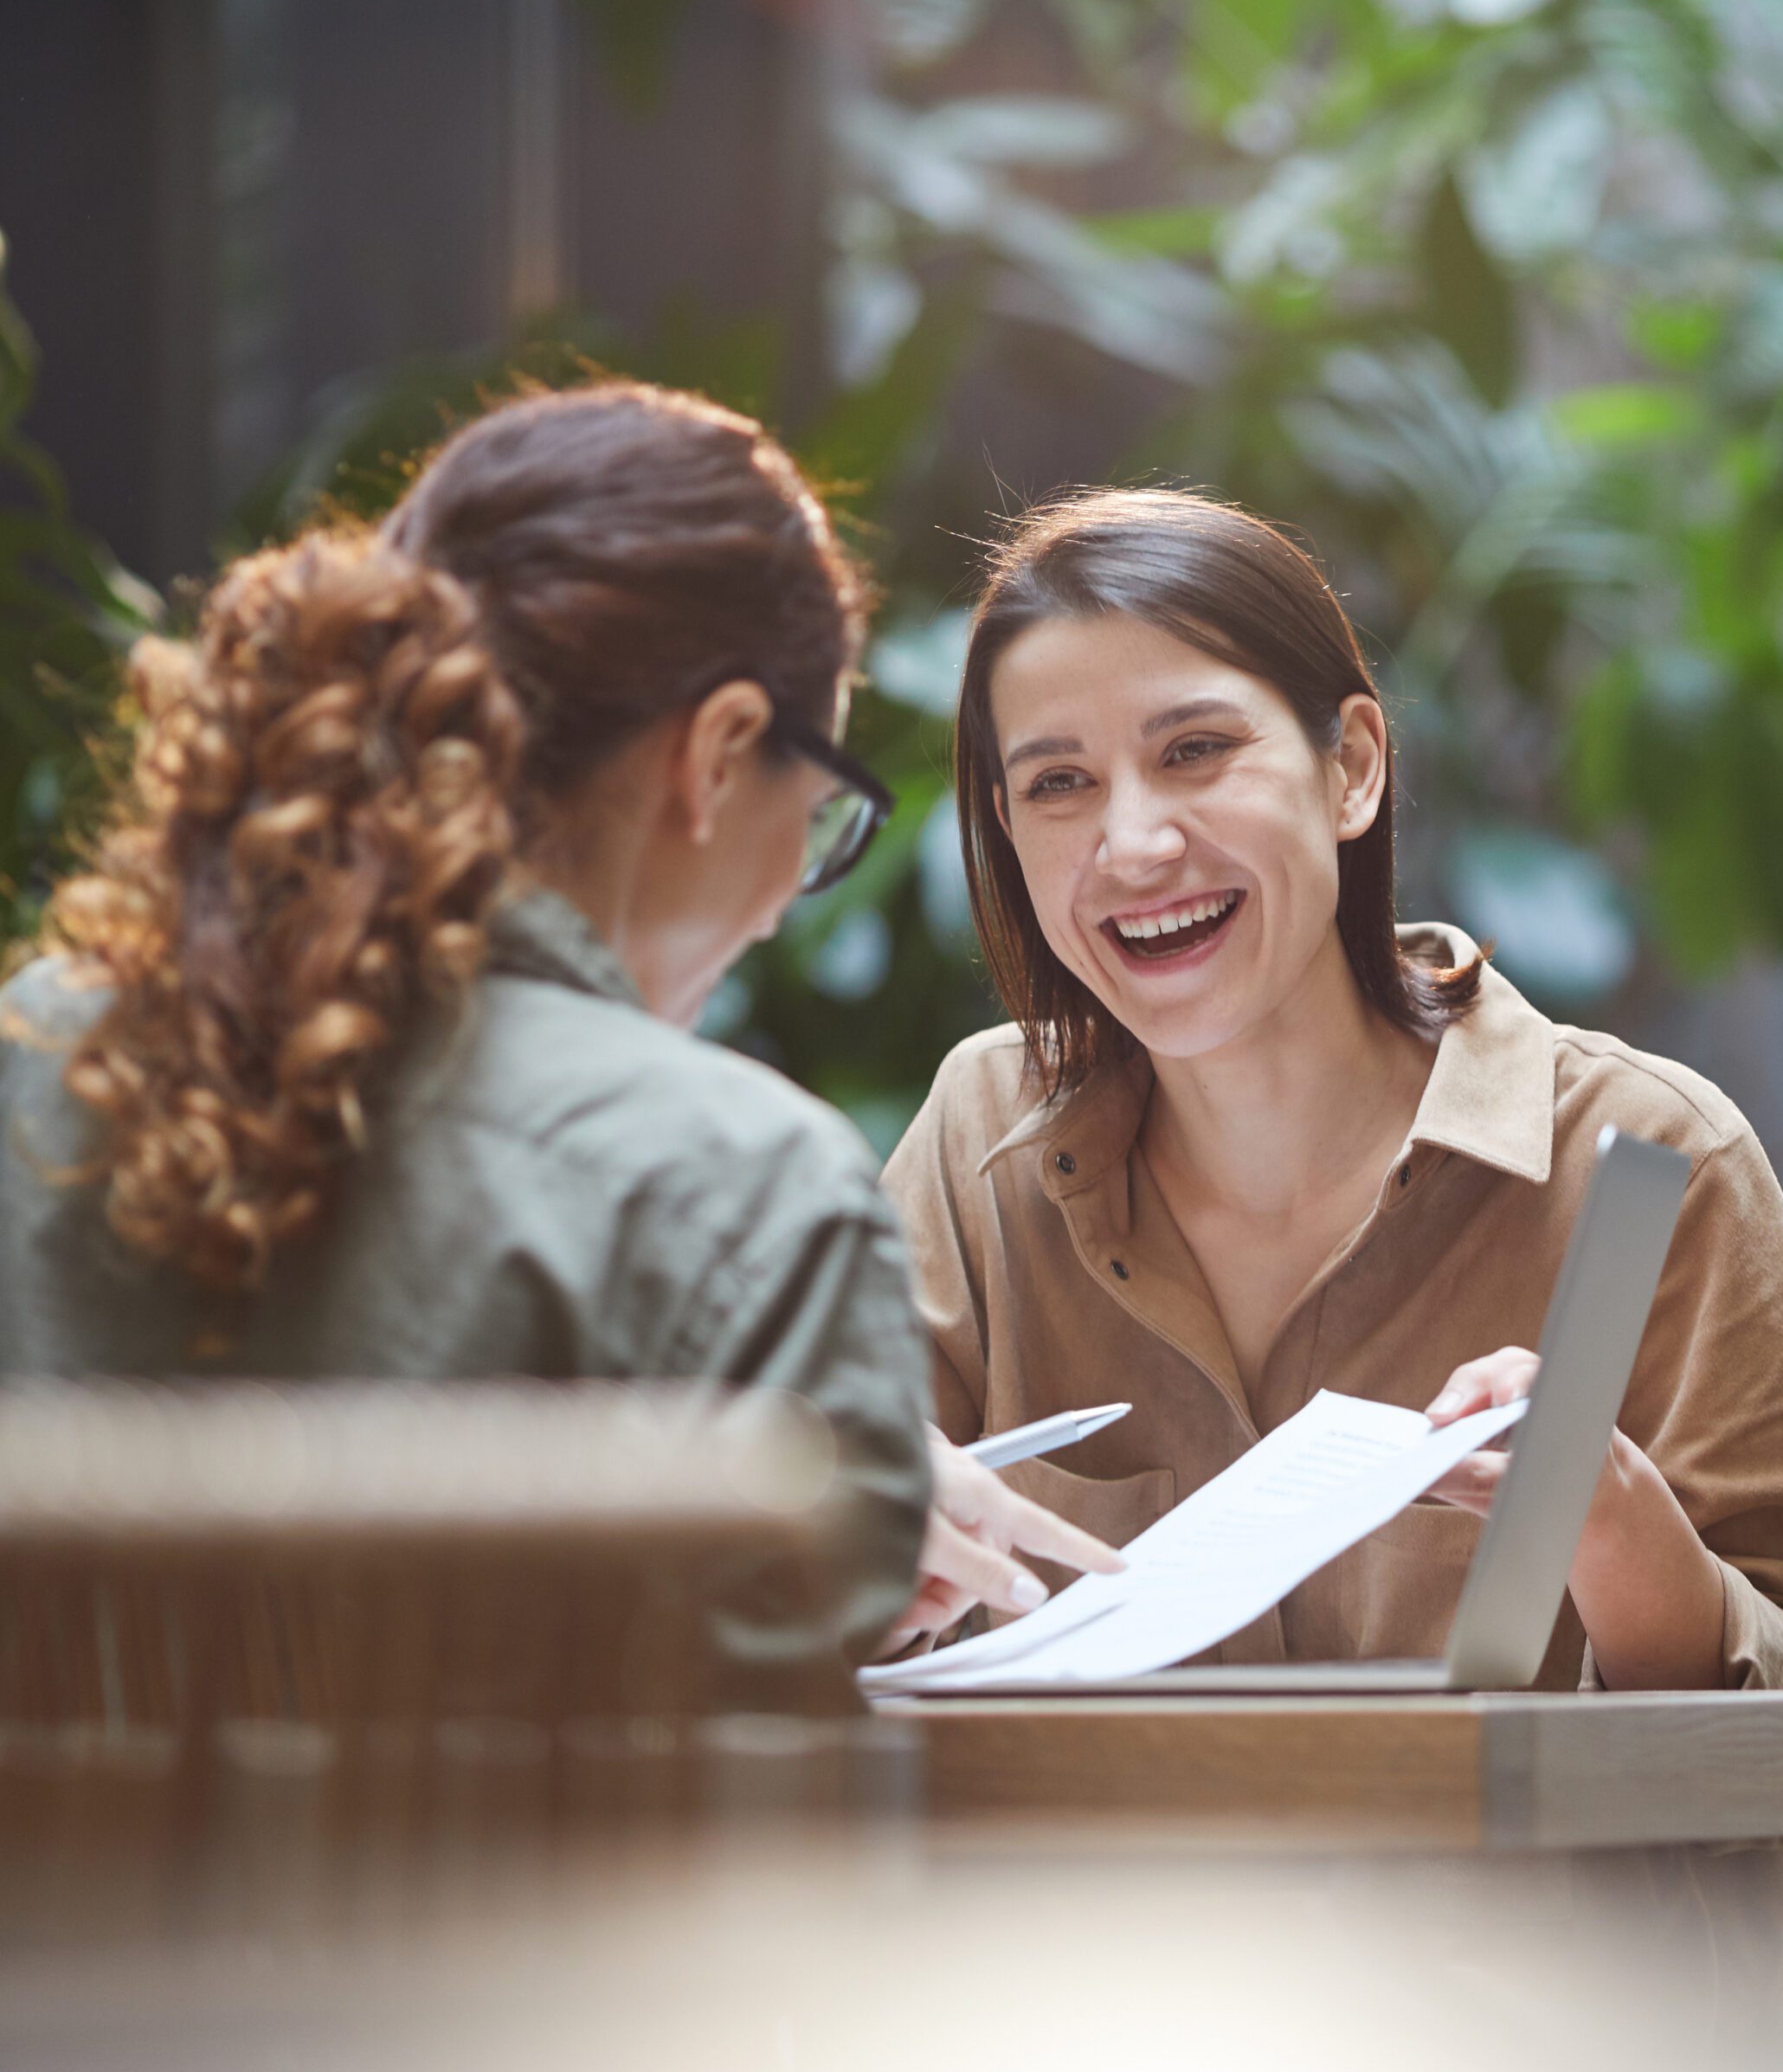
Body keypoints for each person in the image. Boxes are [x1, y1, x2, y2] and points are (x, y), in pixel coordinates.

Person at [0, 383, 1110, 1654]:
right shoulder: (738, 1190)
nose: (773, 912)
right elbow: (756, 1816)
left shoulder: (35, 1051)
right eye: (814, 814)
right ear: (718, 752)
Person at [884, 487, 1783, 1688]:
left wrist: (1607, 1520)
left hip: (1501, 1883)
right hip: (1081, 1885)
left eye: (1194, 751)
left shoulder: (1655, 1159)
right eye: (1058, 785)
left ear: (1351, 768)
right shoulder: (977, 1143)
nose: (1131, 846)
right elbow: (784, 1604)